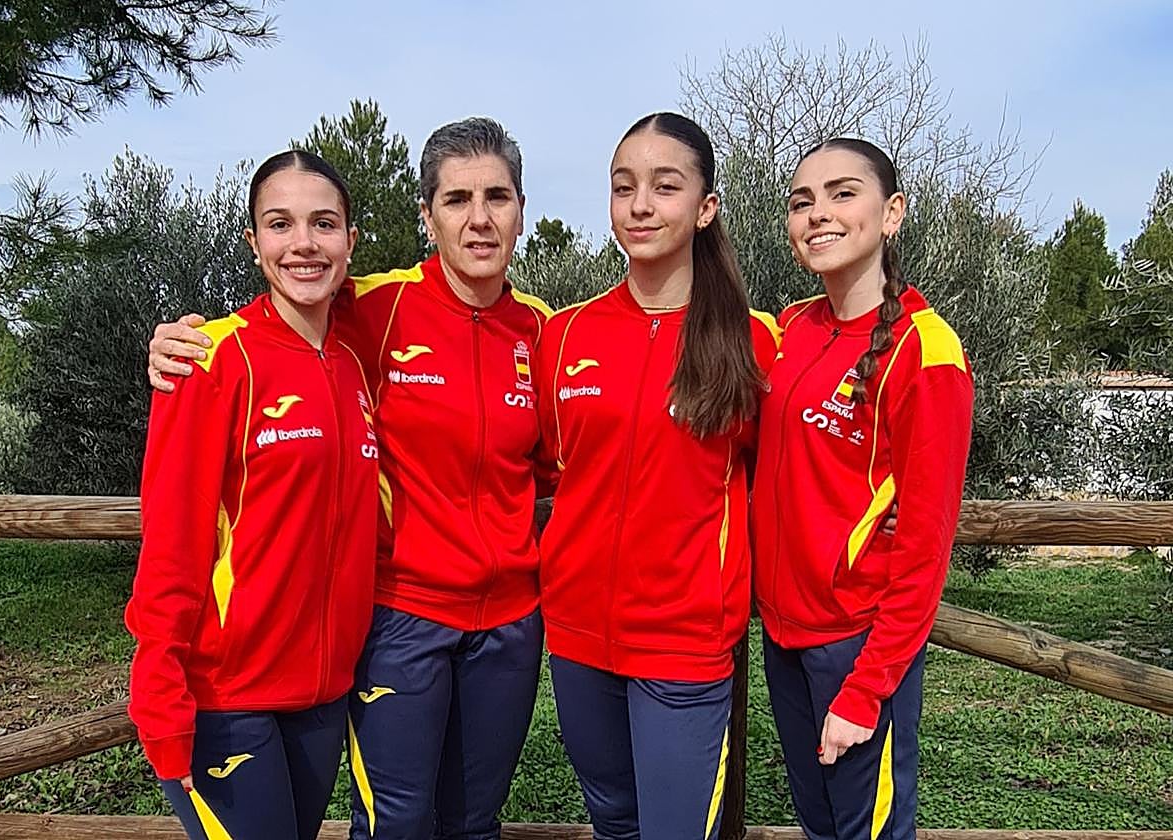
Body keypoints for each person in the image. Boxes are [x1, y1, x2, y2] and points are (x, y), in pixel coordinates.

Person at [145, 118, 550, 840]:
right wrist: (174, 344)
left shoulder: (540, 331)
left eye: (498, 196)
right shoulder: (353, 315)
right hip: (366, 631)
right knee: (394, 824)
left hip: (396, 658)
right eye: (457, 199)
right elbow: (174, 539)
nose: (480, 218)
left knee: (473, 823)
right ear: (426, 217)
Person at [534, 112, 780, 840]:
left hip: (685, 643)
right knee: (612, 822)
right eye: (623, 187)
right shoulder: (564, 335)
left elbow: (795, 468)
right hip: (577, 639)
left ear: (705, 208)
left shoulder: (753, 340)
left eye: (664, 187)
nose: (641, 205)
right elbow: (552, 467)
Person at [126, 149, 380, 840]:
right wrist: (161, 700)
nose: (303, 243)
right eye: (280, 224)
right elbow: (173, 546)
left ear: (351, 242)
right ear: (253, 242)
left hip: (323, 695)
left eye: (324, 224)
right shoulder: (211, 359)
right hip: (225, 697)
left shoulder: (355, 365)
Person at [750, 138, 974, 840]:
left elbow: (926, 543)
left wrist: (867, 686)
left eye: (843, 193)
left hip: (856, 644)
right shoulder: (789, 329)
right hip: (783, 638)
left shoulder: (926, 349)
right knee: (819, 828)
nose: (819, 213)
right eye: (801, 201)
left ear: (892, 212)